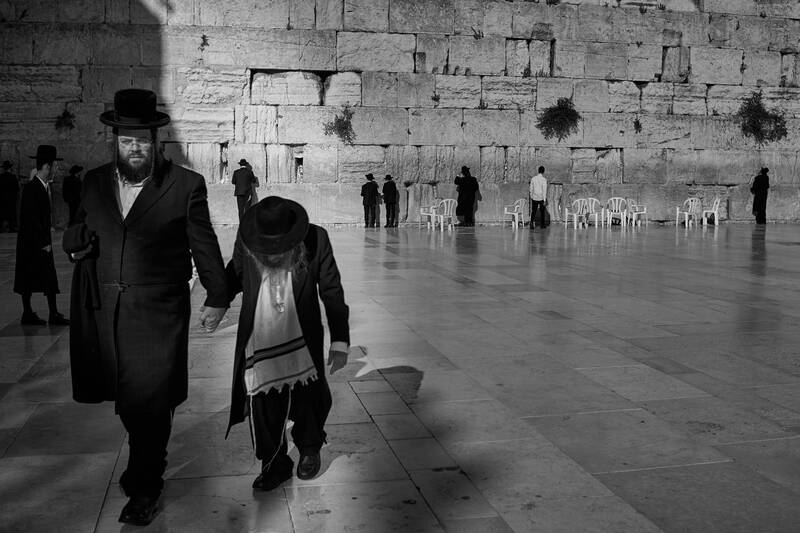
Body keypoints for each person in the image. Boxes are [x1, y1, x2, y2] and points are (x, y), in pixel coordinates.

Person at [63, 89, 228, 527]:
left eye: (142, 140)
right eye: (126, 140)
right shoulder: (94, 182)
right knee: (127, 399)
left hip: (158, 312)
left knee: (151, 400)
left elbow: (203, 243)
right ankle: (145, 461)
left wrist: (217, 296)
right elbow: (79, 227)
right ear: (114, 140)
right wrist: (74, 245)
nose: (134, 148)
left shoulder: (185, 185)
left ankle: (146, 486)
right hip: (104, 310)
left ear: (156, 141)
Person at [224, 196, 349, 491]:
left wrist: (340, 341)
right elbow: (234, 274)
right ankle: (274, 463)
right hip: (260, 336)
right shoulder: (247, 239)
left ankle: (309, 448)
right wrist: (216, 301)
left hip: (302, 333)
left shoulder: (317, 238)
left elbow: (331, 289)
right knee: (263, 402)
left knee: (308, 396)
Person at [13, 145, 69, 326]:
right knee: (30, 276)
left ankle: (50, 313)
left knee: (47, 276)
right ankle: (30, 313)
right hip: (32, 242)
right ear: (47, 166)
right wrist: (43, 241)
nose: (56, 169)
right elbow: (31, 218)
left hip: (37, 240)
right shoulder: (32, 188)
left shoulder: (41, 186)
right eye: (55, 166)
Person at [0, 160, 19, 232]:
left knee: (2, 213)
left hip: (2, 199)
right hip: (11, 199)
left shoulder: (0, 177)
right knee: (11, 213)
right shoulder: (13, 177)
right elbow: (17, 189)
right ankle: (12, 227)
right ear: (10, 168)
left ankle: (1, 227)